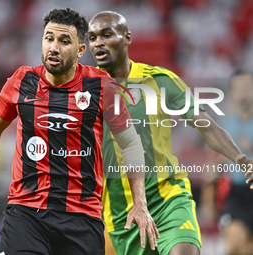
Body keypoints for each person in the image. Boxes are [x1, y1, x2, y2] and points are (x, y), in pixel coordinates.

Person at [0, 8, 159, 255]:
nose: (54, 47)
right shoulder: (22, 81)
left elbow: (131, 144)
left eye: (64, 41)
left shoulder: (102, 87)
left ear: (81, 50)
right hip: (26, 212)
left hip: (82, 217)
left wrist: (140, 204)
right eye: (49, 38)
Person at [88, 11, 253, 255]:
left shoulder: (160, 80)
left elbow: (205, 124)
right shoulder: (85, 94)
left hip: (167, 197)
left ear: (127, 38)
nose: (98, 42)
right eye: (92, 37)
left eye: (107, 34)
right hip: (118, 212)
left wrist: (239, 158)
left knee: (184, 251)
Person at [201, 71, 253, 255]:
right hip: (237, 193)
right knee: (234, 246)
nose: (244, 92)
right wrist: (208, 196)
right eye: (239, 88)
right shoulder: (225, 124)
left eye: (247, 87)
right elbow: (215, 161)